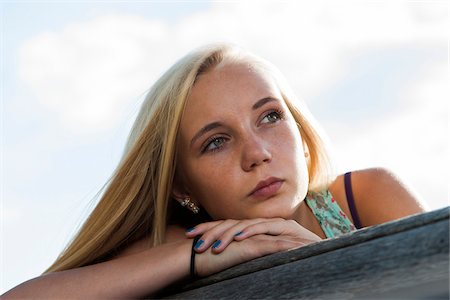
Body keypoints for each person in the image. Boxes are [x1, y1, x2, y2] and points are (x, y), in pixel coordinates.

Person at [2, 43, 427, 298]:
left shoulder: (365, 196)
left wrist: (321, 255)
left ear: (299, 127)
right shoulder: (190, 242)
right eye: (216, 142)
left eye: (269, 117)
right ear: (180, 184)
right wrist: (196, 257)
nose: (257, 153)